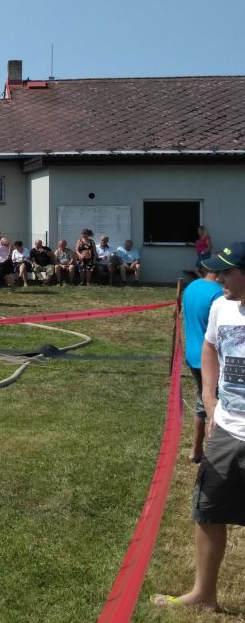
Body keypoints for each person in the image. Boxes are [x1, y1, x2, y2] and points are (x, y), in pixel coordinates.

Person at [155, 242, 245, 610]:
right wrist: (209, 400)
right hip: (227, 430)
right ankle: (204, 594)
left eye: (226, 271)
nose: (219, 278)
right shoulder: (221, 306)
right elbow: (209, 347)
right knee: (207, 510)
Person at [182, 268, 223, 464]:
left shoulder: (192, 287)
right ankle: (213, 455)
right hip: (211, 359)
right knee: (216, 406)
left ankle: (196, 450)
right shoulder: (218, 295)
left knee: (202, 401)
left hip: (193, 354)